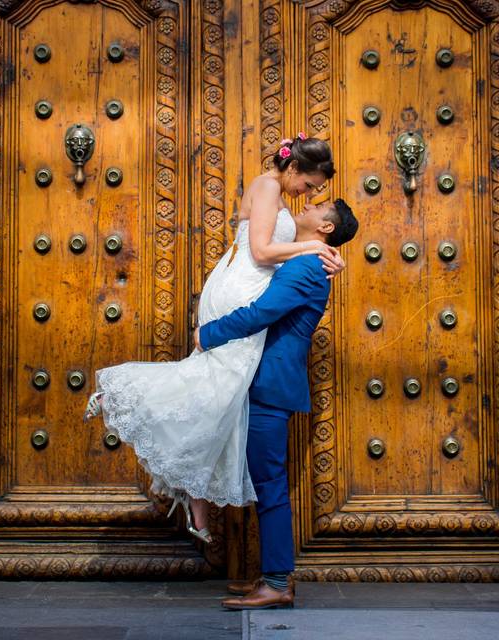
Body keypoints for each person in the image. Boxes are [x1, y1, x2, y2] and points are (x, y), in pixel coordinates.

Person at [84, 135, 343, 543]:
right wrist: (314, 244)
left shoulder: (278, 194)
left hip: (243, 283)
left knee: (223, 394)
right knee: (221, 383)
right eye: (309, 184)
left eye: (313, 193)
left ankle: (195, 498)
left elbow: (290, 246)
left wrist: (326, 251)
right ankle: (117, 392)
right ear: (293, 168)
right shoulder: (269, 185)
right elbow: (261, 251)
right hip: (242, 287)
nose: (307, 193)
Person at [194, 198, 358, 609]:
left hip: (270, 382)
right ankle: (270, 576)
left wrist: (209, 334)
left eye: (318, 205)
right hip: (257, 378)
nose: (307, 204)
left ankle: (278, 582)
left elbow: (264, 311)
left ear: (324, 228)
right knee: (261, 479)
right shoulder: (302, 258)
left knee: (269, 483)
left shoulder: (307, 267)